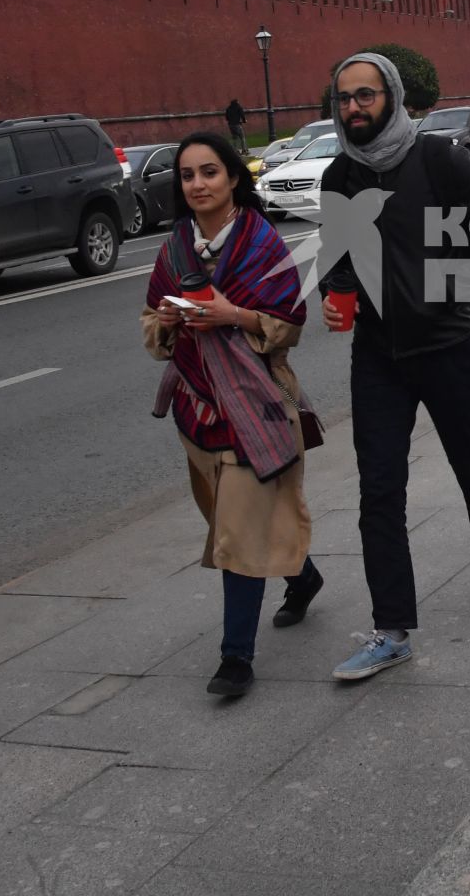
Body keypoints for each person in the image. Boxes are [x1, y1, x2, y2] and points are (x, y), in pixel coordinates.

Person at [317, 52, 470, 681]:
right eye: (344, 97)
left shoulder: (439, 159)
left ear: (393, 97)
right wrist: (337, 294)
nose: (354, 107)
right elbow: (340, 259)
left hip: (447, 345)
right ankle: (391, 629)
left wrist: (445, 295)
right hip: (378, 356)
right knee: (379, 489)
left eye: (366, 95)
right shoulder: (338, 178)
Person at [142, 131, 323, 698]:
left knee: (239, 533)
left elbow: (289, 326)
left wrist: (231, 314)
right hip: (197, 411)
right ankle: (305, 577)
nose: (197, 184)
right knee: (232, 523)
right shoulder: (174, 248)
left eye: (209, 172)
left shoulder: (264, 244)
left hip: (257, 405)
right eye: (188, 175)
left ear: (234, 179)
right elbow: (150, 326)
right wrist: (170, 324)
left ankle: (235, 660)